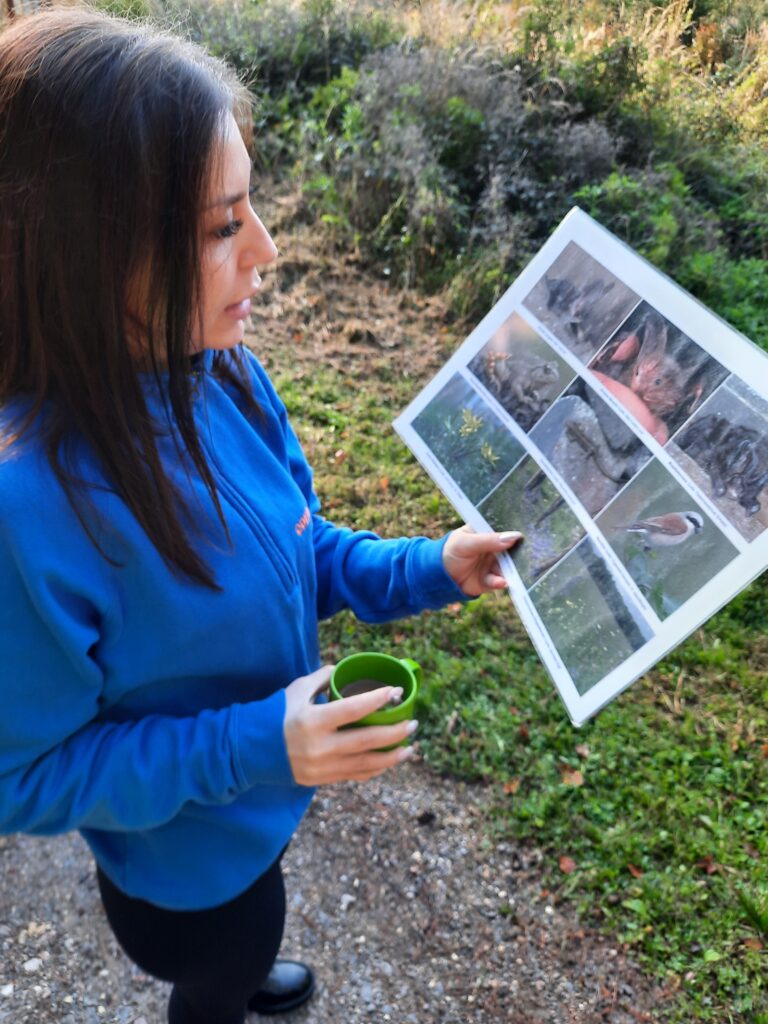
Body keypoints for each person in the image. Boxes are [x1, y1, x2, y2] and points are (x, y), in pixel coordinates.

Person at [0, 8, 521, 1024]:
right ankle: (216, 993)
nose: (270, 252)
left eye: (253, 210)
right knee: (225, 952)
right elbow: (25, 776)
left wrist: (428, 564)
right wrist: (260, 747)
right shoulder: (29, 506)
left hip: (257, 813)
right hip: (179, 874)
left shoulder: (226, 372)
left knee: (256, 918)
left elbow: (298, 545)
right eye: (221, 227)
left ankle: (238, 967)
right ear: (83, 253)